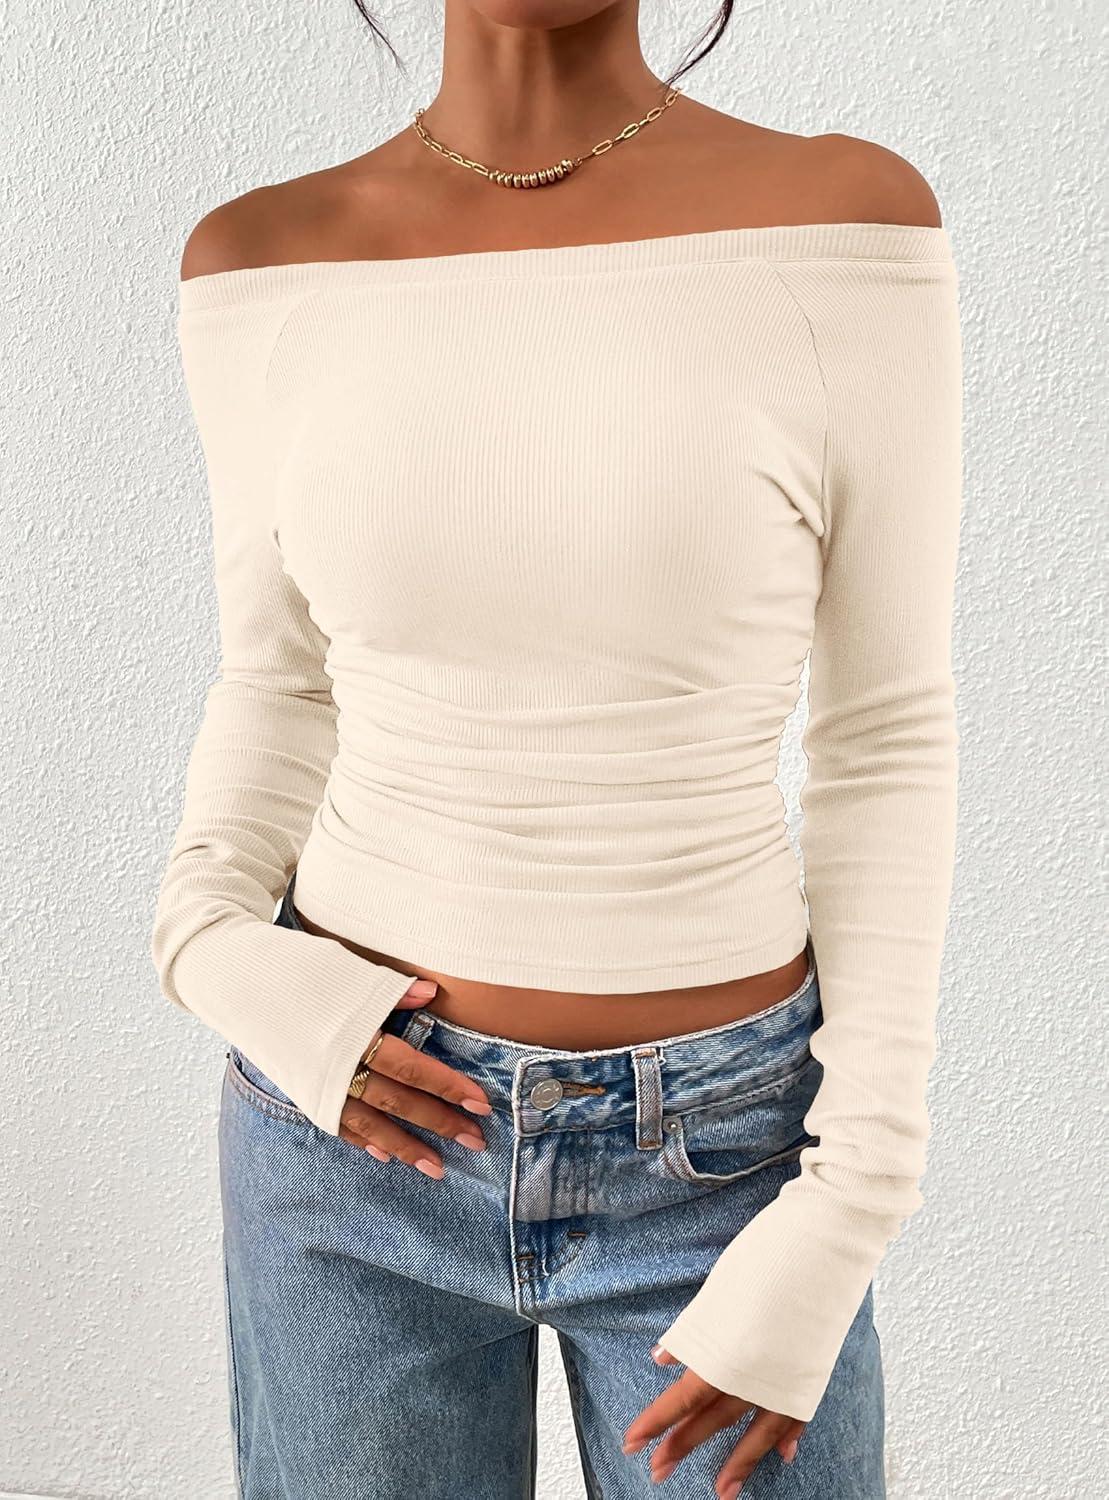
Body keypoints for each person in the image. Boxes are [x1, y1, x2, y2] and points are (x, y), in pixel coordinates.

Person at [150, 3, 964, 1496]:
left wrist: (852, 1201)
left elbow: (883, 736)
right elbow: (276, 683)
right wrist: (205, 939)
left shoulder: (843, 226)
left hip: (727, 1166)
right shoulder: (259, 263)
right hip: (346, 1139)